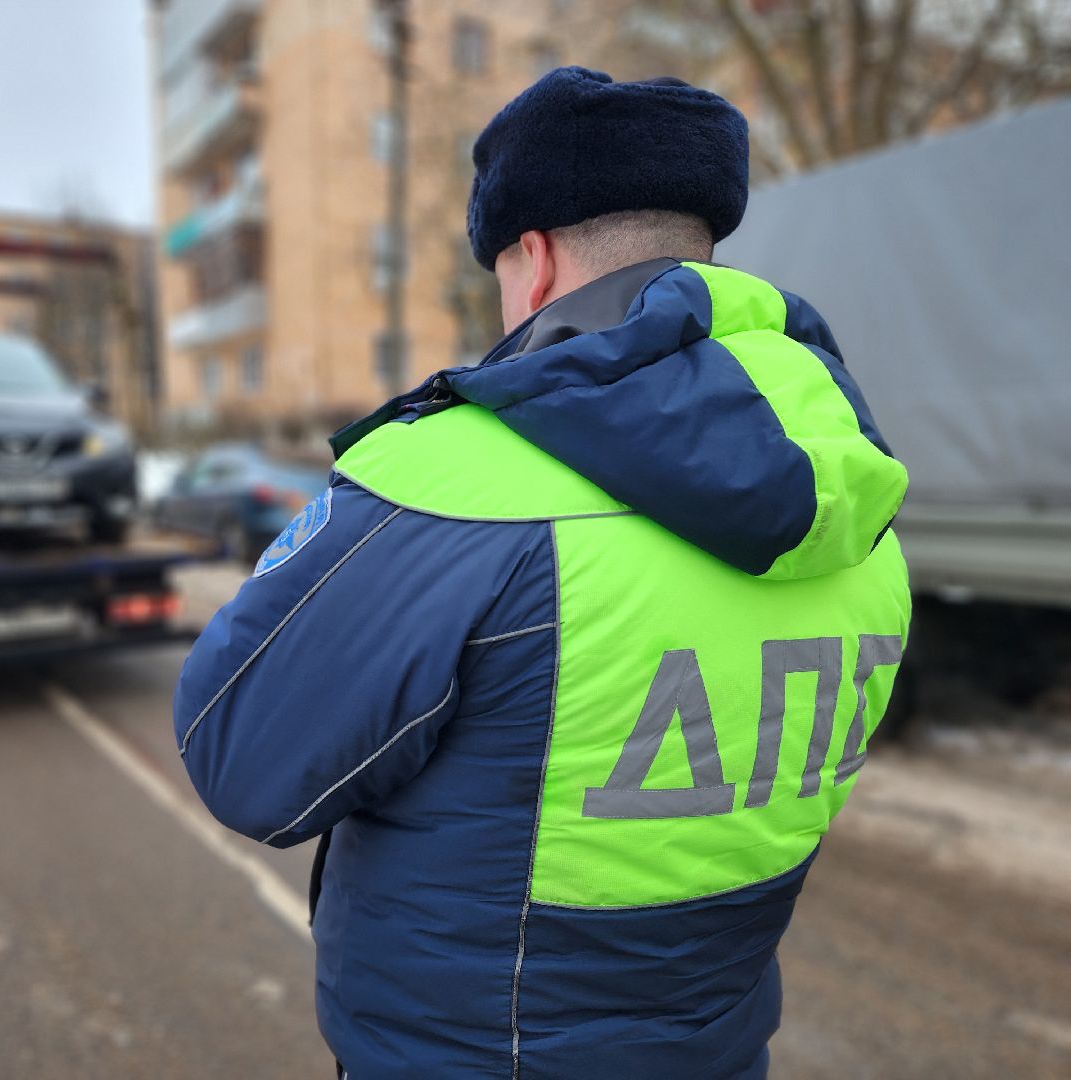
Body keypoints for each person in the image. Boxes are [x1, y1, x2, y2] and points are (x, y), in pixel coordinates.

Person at [173, 68, 910, 1079]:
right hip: (720, 1049)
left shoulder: (458, 483)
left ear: (536, 255)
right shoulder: (858, 503)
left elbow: (242, 757)